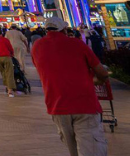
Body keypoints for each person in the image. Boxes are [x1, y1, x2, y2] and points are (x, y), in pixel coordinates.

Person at [32, 16, 110, 156]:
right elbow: (102, 73)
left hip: (57, 106)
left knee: (72, 149)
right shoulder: (77, 44)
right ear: (64, 29)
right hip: (84, 104)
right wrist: (97, 81)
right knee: (91, 149)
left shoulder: (37, 47)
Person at [0, 27, 16, 97]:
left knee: (3, 72)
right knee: (9, 73)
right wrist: (12, 54)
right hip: (6, 57)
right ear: (2, 32)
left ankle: (7, 86)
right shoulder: (5, 40)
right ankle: (10, 91)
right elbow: (10, 48)